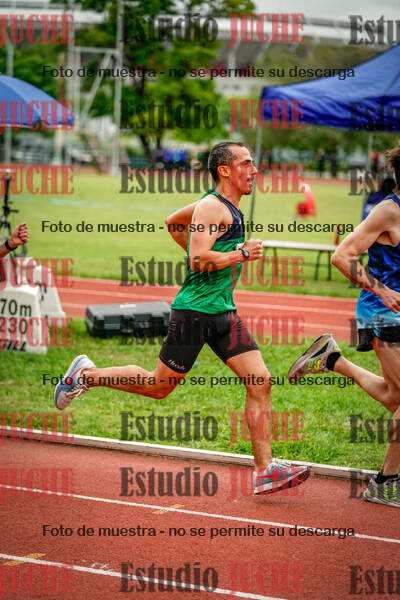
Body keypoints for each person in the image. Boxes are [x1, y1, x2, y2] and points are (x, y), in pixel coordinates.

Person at [54, 141, 310, 496]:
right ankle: (85, 375)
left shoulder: (225, 206)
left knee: (260, 381)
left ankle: (265, 470)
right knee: (159, 387)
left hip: (223, 311)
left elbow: (173, 222)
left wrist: (209, 252)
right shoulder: (211, 206)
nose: (254, 170)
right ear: (225, 170)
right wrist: (239, 253)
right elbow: (197, 260)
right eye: (247, 163)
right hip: (194, 313)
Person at [288, 145, 400, 507]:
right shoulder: (388, 211)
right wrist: (382, 290)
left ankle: (332, 359)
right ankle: (385, 482)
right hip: (383, 313)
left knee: (394, 398)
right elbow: (342, 255)